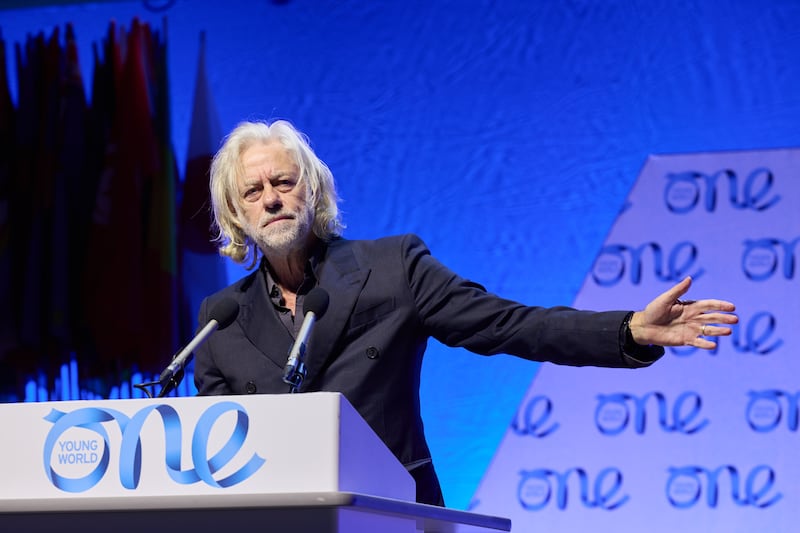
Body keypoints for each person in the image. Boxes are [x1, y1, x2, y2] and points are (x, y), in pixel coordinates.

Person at [193, 119, 738, 506]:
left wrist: (628, 329)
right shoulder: (221, 320)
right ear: (236, 214)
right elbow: (211, 461)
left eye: (284, 182)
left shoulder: (391, 268)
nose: (271, 199)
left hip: (393, 512)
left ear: (311, 190)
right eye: (253, 190)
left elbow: (508, 323)